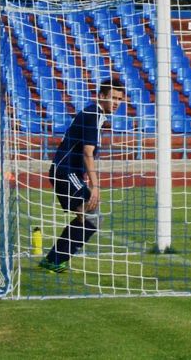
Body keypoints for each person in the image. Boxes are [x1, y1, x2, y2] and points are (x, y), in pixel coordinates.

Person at [39, 79, 125, 273]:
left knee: (87, 217)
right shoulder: (93, 113)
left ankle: (53, 259)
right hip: (65, 171)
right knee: (91, 217)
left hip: (68, 172)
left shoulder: (96, 115)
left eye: (120, 99)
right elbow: (87, 152)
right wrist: (95, 186)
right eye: (113, 97)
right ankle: (55, 260)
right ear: (101, 96)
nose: (117, 102)